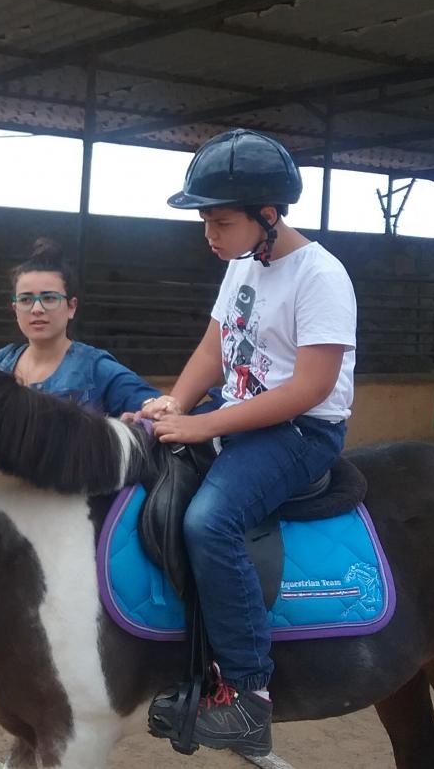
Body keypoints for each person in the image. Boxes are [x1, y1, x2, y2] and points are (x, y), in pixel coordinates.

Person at [140, 129, 356, 757]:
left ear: (267, 215)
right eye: (205, 221)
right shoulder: (241, 264)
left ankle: (248, 692)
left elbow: (312, 387)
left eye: (221, 222)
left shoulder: (321, 275)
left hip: (300, 431)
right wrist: (178, 402)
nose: (209, 234)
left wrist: (205, 425)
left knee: (210, 521)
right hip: (237, 414)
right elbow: (215, 346)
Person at [0, 238, 160, 769]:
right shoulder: (1, 363)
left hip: (65, 558)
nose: (37, 308)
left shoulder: (96, 368)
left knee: (45, 680)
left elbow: (150, 406)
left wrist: (141, 415)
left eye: (49, 298)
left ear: (71, 306)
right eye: (26, 298)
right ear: (13, 307)